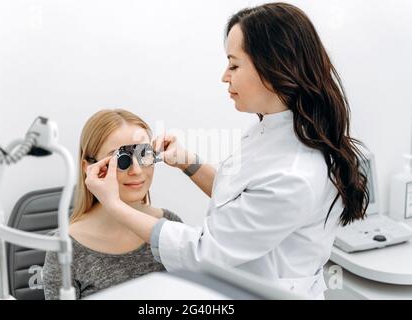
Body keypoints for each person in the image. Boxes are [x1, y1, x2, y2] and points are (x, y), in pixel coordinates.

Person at [83, 3, 369, 299]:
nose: (224, 76)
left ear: (273, 66)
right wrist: (189, 164)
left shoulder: (294, 173)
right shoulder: (272, 129)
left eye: (233, 64)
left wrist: (114, 205)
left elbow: (202, 251)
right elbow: (239, 200)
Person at [42, 109, 182, 299]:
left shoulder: (170, 226)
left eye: (144, 154)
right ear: (89, 168)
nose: (137, 170)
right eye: (121, 159)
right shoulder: (66, 247)